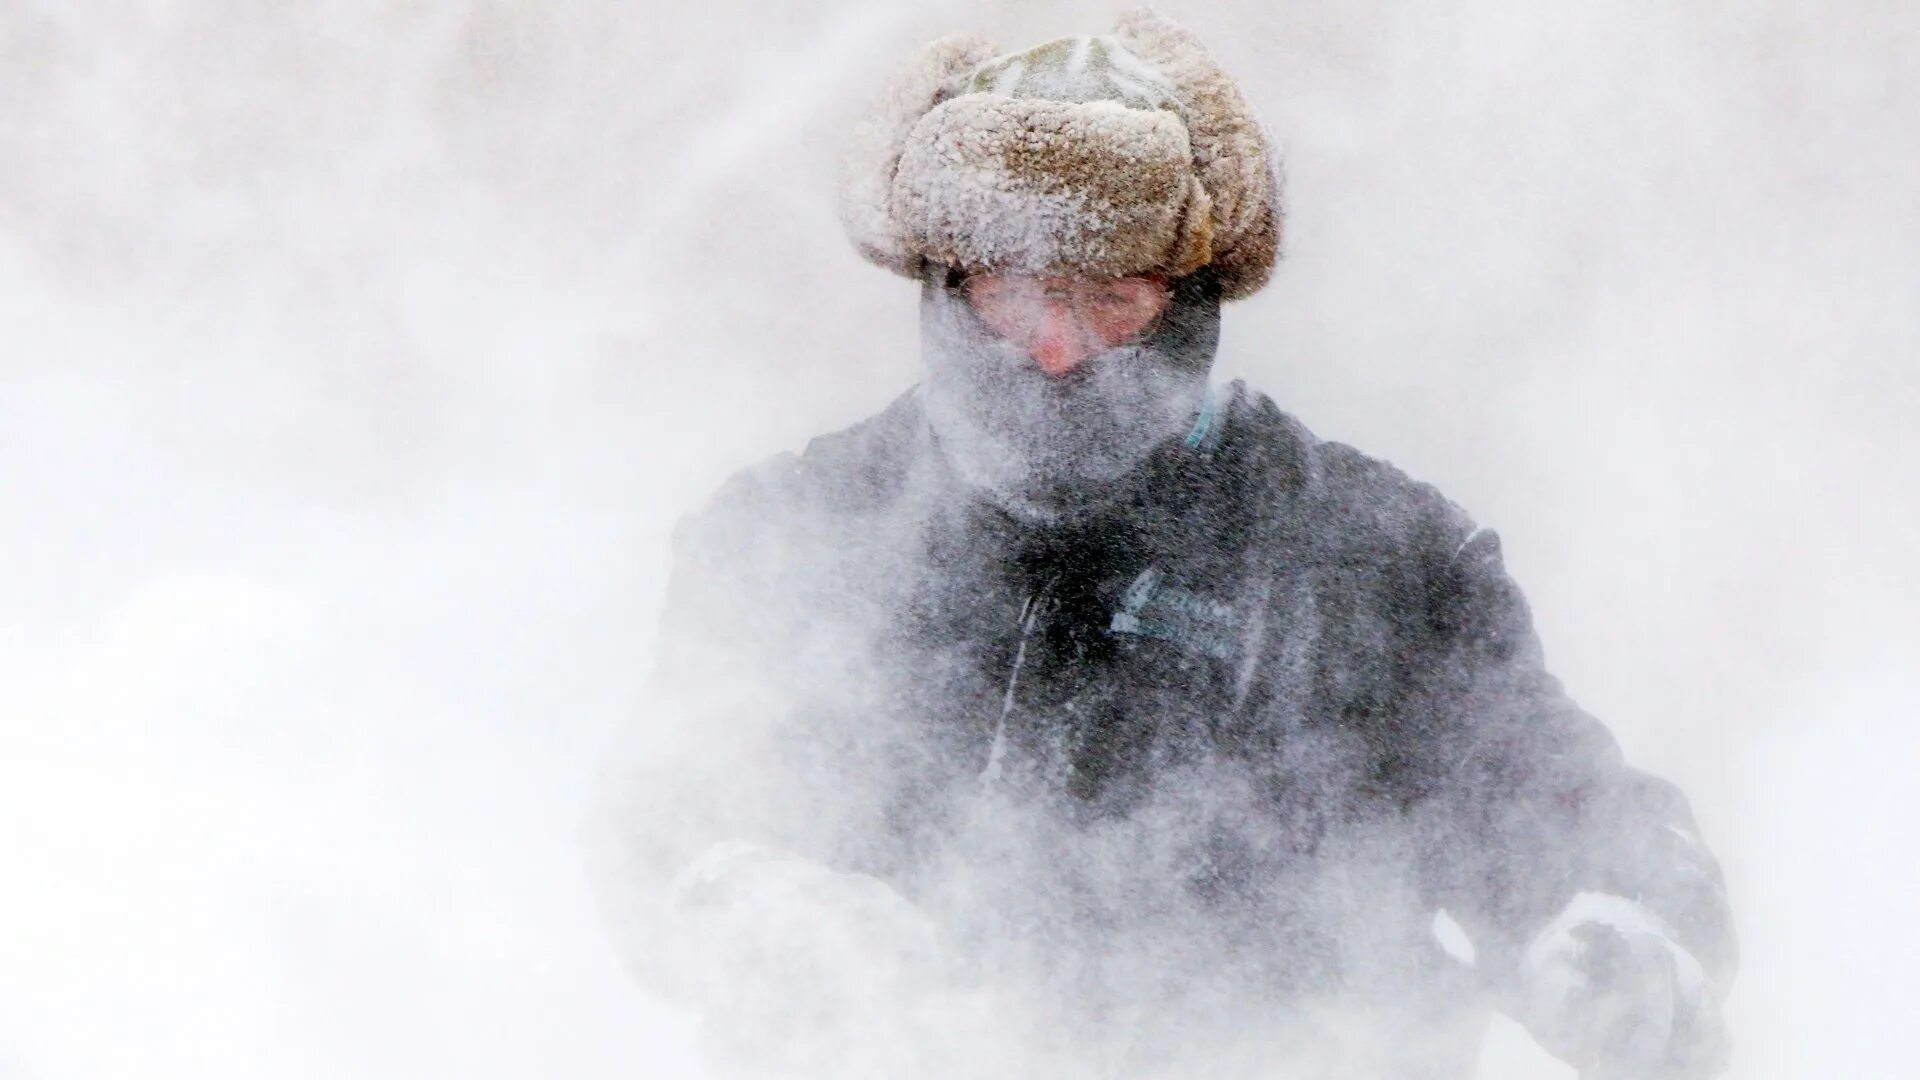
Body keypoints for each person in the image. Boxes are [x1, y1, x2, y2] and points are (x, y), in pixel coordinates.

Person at [585, 10, 1736, 1078]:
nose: (1056, 352)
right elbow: (662, 824)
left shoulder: (1376, 562)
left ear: (1195, 300)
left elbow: (1561, 816)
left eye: (1114, 299)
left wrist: (1626, 941)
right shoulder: (794, 534)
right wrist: (743, 901)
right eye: (1010, 293)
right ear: (940, 288)